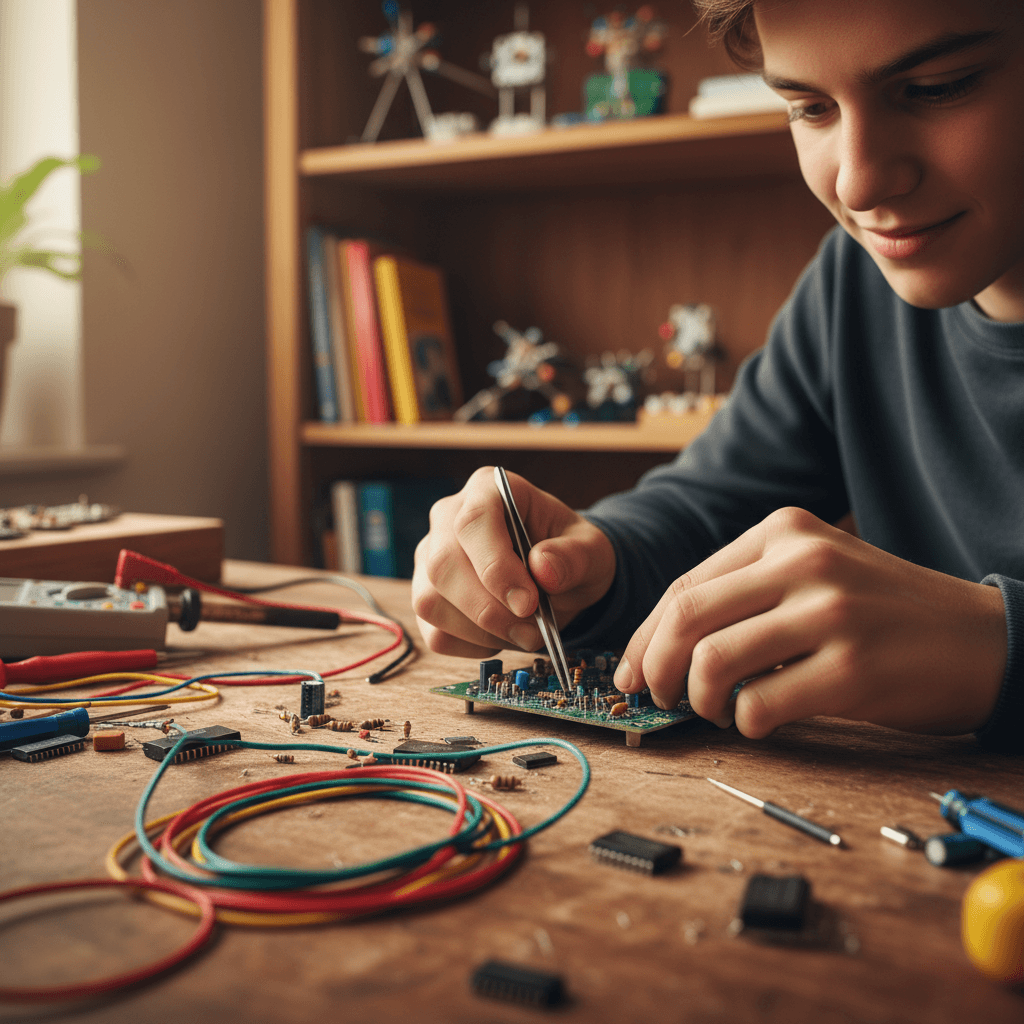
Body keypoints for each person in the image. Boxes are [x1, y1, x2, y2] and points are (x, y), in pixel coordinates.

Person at [412, 0, 1024, 753]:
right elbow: (711, 504)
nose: (860, 184)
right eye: (808, 106)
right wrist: (590, 560)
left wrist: (999, 650)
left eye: (936, 87)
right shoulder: (855, 282)